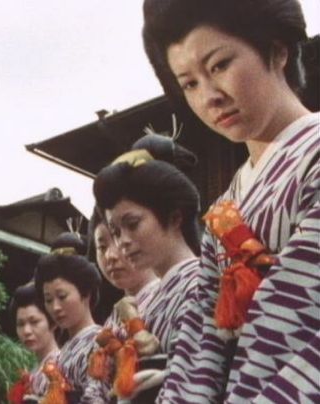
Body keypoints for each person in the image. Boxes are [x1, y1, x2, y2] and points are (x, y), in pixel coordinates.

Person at [142, 0, 320, 402]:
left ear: (276, 49)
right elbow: (200, 343)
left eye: (219, 65)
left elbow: (297, 322)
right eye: (189, 84)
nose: (209, 96)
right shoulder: (224, 210)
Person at [92, 134, 201, 400]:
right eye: (116, 231)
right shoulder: (149, 300)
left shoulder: (202, 286)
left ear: (174, 217)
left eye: (133, 224)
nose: (122, 242)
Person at [33, 232, 110, 403]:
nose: (55, 307)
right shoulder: (62, 351)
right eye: (48, 300)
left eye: (62, 296)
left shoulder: (99, 344)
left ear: (86, 294)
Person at [8, 282, 59, 402]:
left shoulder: (63, 366)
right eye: (20, 324)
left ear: (53, 323)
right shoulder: (35, 371)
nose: (26, 331)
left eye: (34, 322)